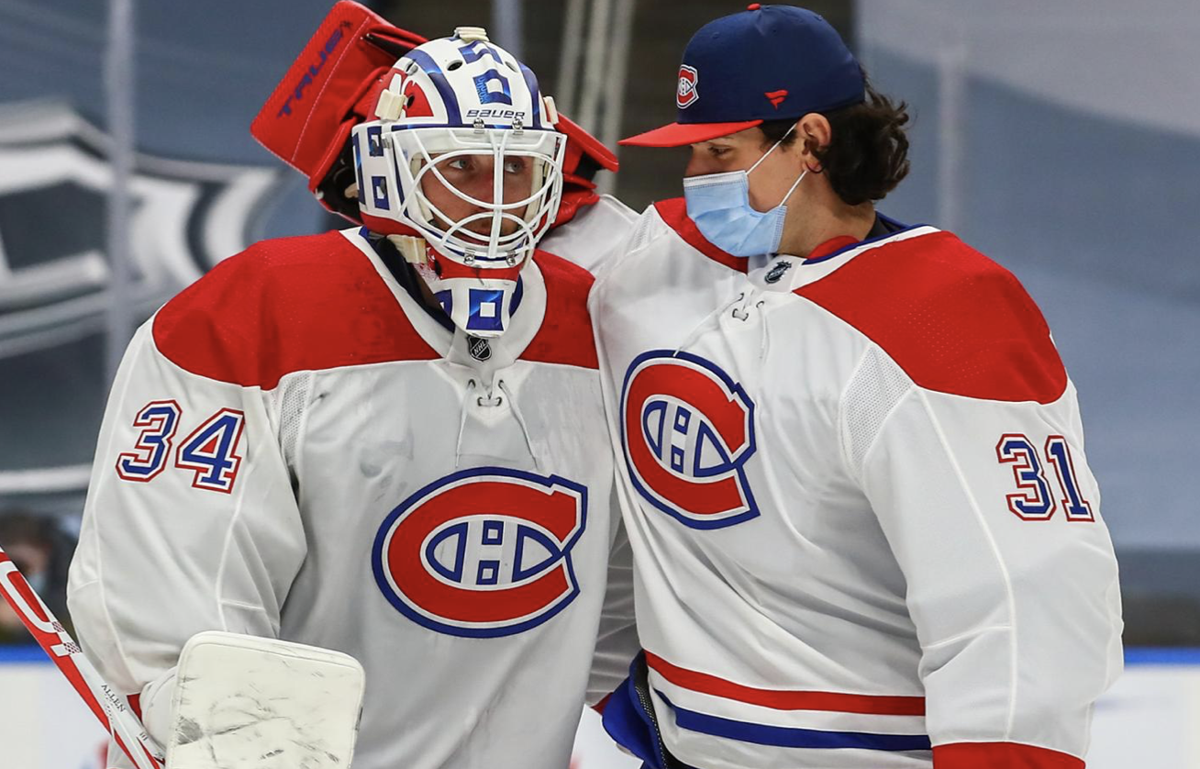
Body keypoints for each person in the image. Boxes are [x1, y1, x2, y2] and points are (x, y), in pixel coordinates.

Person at [67, 13, 637, 769]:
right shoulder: (253, 315)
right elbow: (175, 604)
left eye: (516, 169)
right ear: (388, 168)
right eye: (462, 166)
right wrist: (226, 733)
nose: (495, 199)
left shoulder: (604, 320)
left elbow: (625, 596)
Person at [591, 5, 1122, 769]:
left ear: (809, 139)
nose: (692, 179)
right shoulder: (658, 261)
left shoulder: (946, 317)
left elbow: (1023, 595)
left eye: (717, 151)